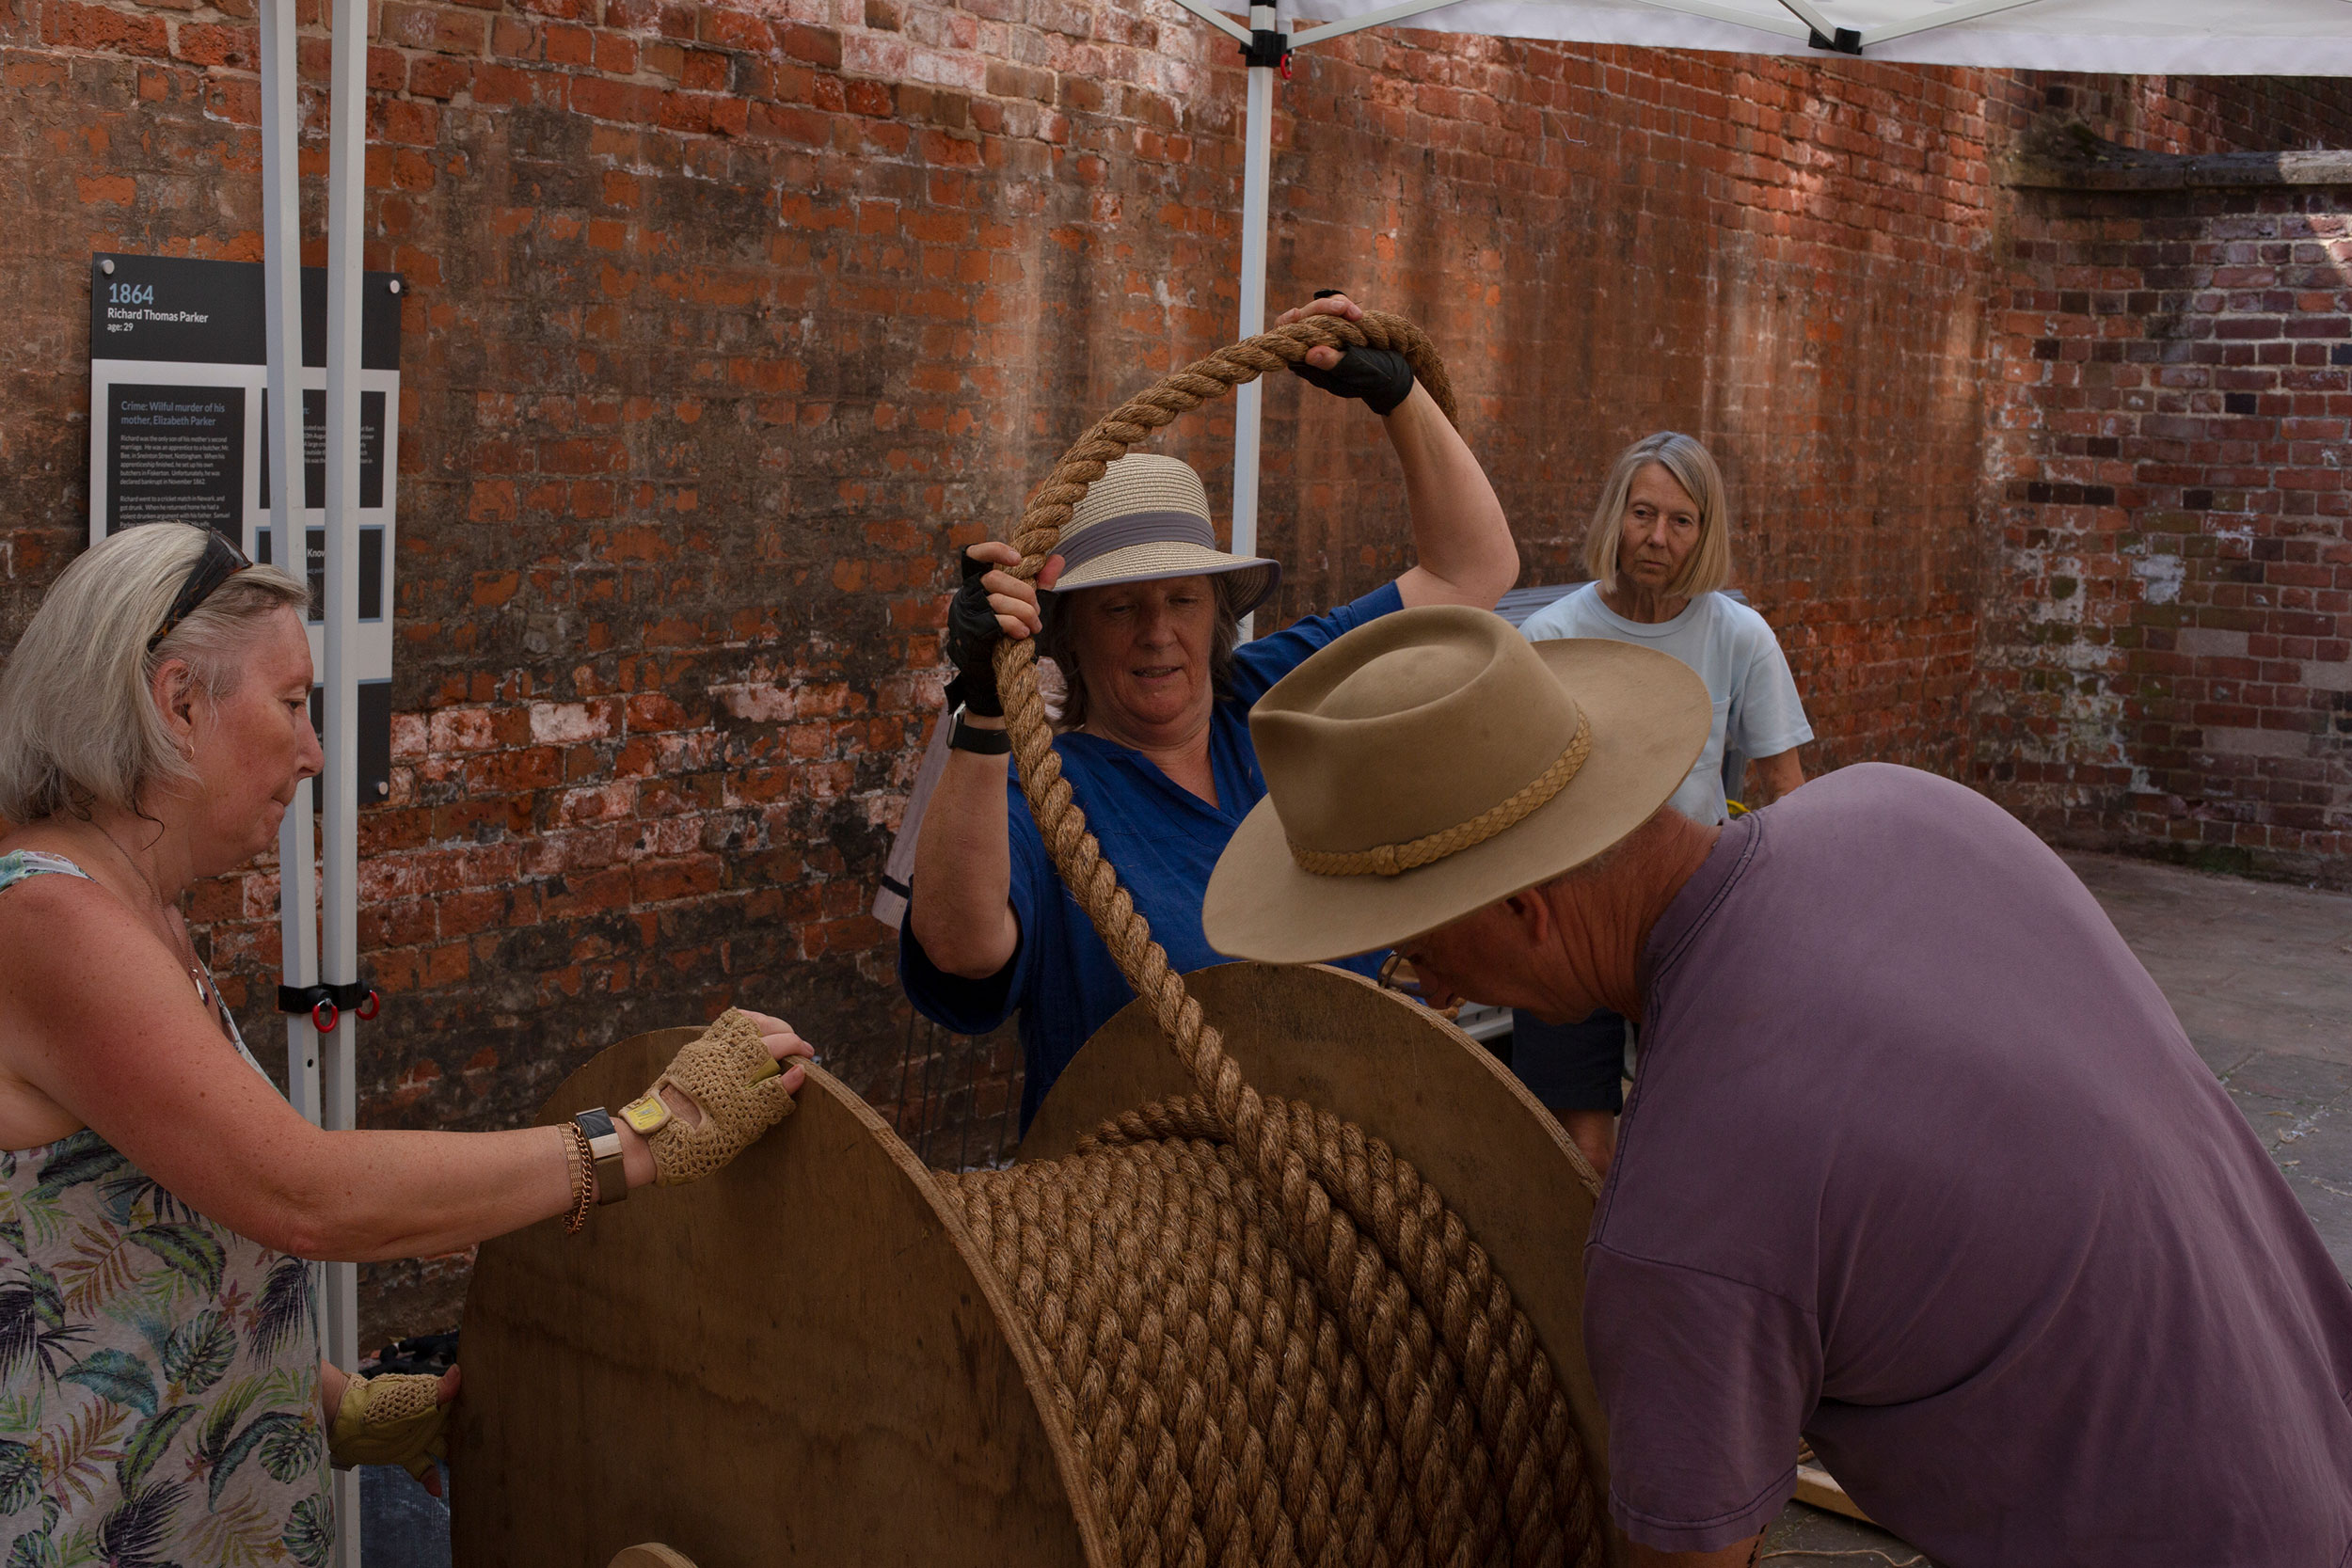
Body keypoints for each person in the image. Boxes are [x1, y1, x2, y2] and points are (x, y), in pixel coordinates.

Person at [1201, 604, 2352, 1568]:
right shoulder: (1903, 804)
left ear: (1524, 907)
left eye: (1416, 940)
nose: (1424, 981)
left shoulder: (1684, 1221)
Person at [0, 523, 813, 1563]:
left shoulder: (139, 910)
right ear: (179, 703)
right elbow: (302, 1190)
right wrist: (644, 1135)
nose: (315, 749)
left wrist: (338, 1404)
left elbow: (159, 1242)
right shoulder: (52, 923)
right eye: (293, 703)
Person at [902, 292, 1519, 1132]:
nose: (1159, 635)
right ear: (1071, 635)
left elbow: (1472, 571)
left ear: (1219, 610)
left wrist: (1399, 397)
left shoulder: (1276, 696)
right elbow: (960, 946)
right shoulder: (1039, 790)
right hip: (1150, 1218)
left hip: (1359, 1145)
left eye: (1182, 601)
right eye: (1120, 609)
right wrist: (981, 710)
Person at [1512, 433, 1812, 1176]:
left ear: (1706, 533)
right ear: (1616, 516)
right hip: (1572, 914)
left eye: (1682, 521)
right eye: (1643, 512)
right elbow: (1514, 797)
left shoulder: (1739, 638)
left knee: (1687, 1145)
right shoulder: (1553, 636)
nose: (1657, 537)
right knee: (1582, 1155)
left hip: (1689, 909)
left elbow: (1788, 789)